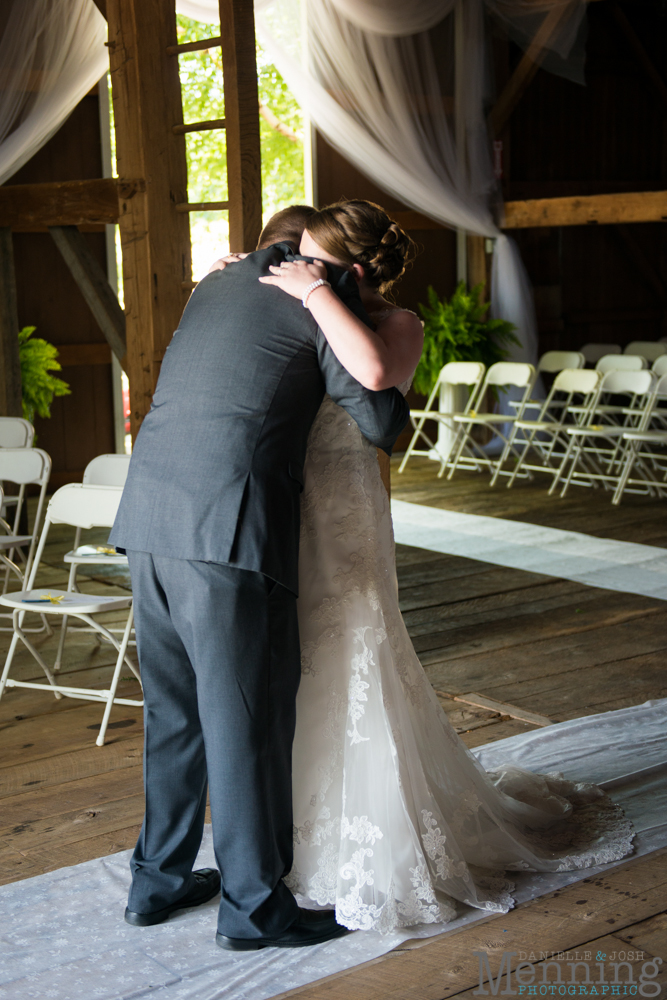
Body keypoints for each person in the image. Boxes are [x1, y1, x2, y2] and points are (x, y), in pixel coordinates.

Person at [253, 199, 635, 932]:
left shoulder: (398, 324)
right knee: (300, 656)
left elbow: (369, 382)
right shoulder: (315, 310)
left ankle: (373, 839)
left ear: (351, 266)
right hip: (293, 503)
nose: (307, 268)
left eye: (320, 258)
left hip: (347, 505)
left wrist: (308, 294)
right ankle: (293, 828)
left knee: (356, 645)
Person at [108, 205, 410, 950]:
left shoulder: (216, 281)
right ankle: (253, 909)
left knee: (174, 718)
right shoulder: (321, 292)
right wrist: (326, 301)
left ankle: (158, 879)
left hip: (149, 517)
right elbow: (379, 420)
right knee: (247, 725)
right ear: (357, 269)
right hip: (226, 534)